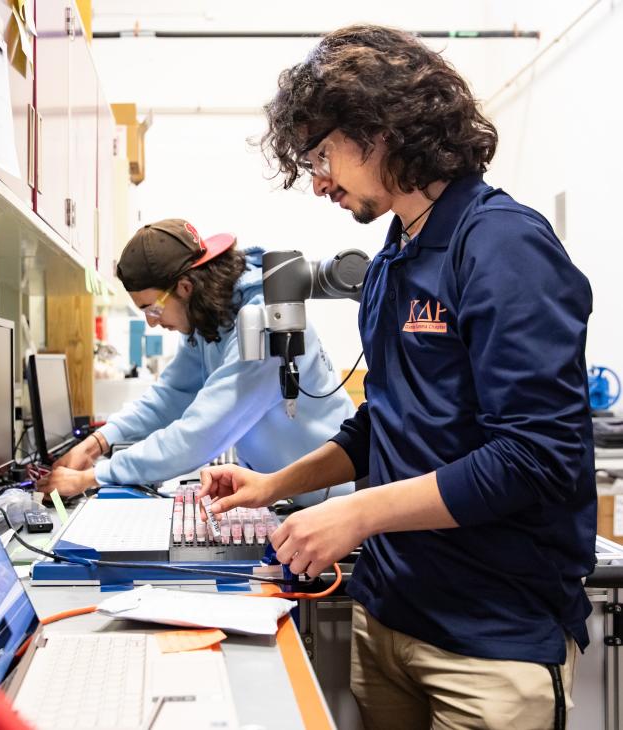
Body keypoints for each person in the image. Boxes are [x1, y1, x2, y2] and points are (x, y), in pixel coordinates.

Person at [198, 25, 595, 730]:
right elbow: (382, 421)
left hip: (486, 644)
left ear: (380, 128)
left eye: (322, 154)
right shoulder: (391, 261)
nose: (318, 181)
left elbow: (535, 459)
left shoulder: (502, 245)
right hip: (388, 620)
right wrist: (275, 486)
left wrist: (356, 514)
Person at [38, 218, 355, 503]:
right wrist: (96, 444)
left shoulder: (262, 322)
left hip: (335, 497)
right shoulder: (210, 317)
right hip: (289, 494)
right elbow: (170, 396)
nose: (151, 322)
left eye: (152, 308)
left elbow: (199, 435)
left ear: (185, 287)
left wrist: (93, 476)